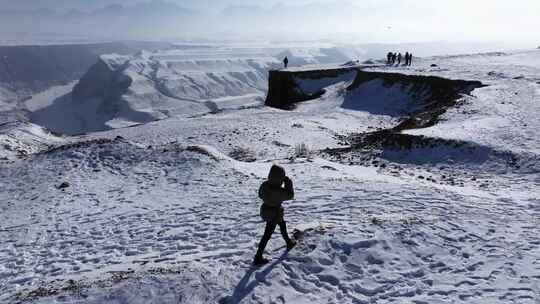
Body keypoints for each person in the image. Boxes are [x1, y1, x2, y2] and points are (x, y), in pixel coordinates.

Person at [253, 165, 296, 266]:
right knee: (267, 234)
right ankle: (258, 256)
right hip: (274, 214)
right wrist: (288, 182)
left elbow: (260, 195)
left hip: (267, 210)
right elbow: (290, 195)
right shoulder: (279, 191)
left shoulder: (265, 186)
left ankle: (288, 242)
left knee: (282, 224)